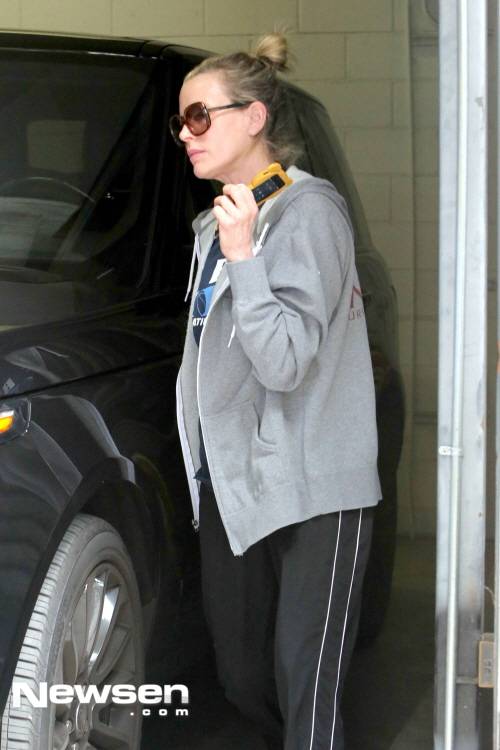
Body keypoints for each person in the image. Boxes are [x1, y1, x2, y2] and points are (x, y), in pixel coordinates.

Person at [172, 32, 381, 750]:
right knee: (242, 676)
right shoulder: (214, 224)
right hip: (238, 487)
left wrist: (244, 257)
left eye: (199, 116)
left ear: (254, 117)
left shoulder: (309, 211)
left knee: (306, 688)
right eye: (180, 121)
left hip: (314, 485)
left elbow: (286, 362)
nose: (185, 134)